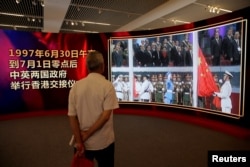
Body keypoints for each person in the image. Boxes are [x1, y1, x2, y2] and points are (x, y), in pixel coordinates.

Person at [68, 51, 119, 167]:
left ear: (87, 67)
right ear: (102, 66)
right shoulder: (107, 86)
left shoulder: (76, 87)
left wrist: (80, 140)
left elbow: (72, 117)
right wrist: (87, 134)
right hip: (104, 141)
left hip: (82, 143)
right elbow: (105, 116)